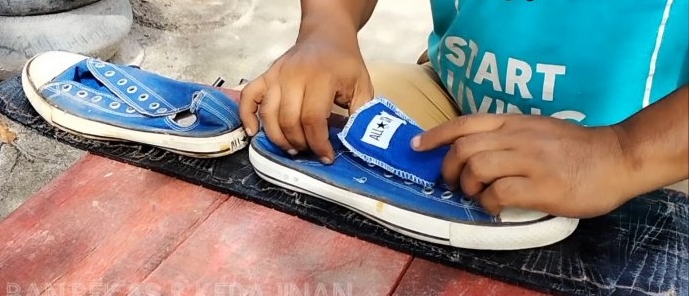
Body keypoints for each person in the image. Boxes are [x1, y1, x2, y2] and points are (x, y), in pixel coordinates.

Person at [239, 0, 688, 218]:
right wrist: (327, 28)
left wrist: (622, 153)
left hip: (652, 147)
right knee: (305, 129)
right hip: (451, 101)